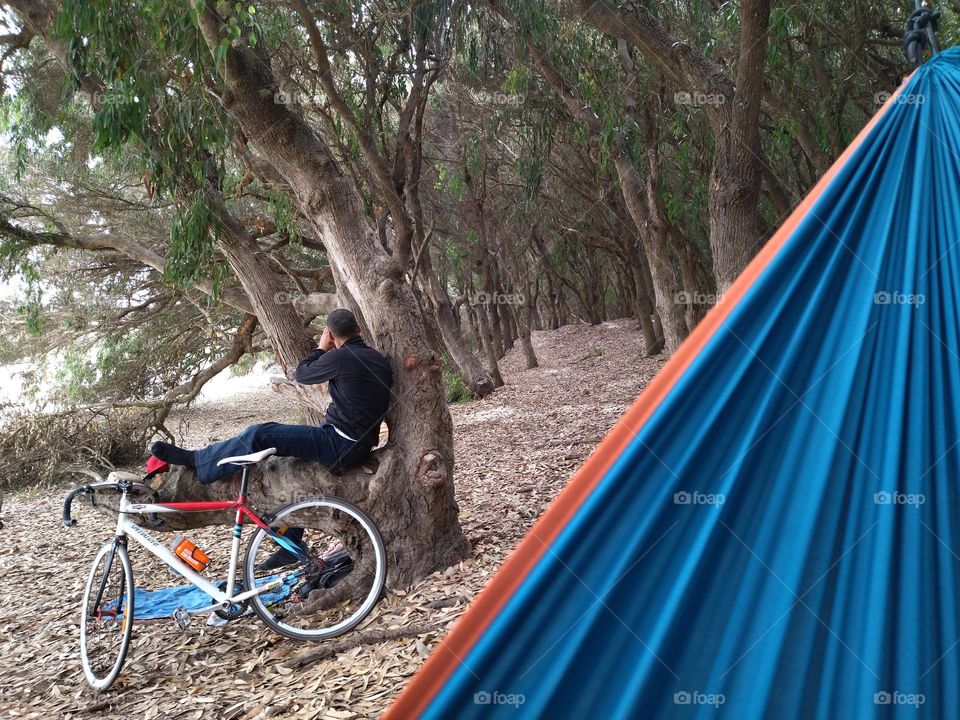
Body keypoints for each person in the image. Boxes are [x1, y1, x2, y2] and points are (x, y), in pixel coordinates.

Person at [150, 308, 393, 485]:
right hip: (358, 442)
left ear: (329, 333)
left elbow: (301, 374)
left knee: (260, 433)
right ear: (358, 329)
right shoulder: (378, 359)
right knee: (283, 463)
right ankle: (289, 540)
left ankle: (200, 462)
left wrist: (321, 348)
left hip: (340, 444)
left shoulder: (339, 357)